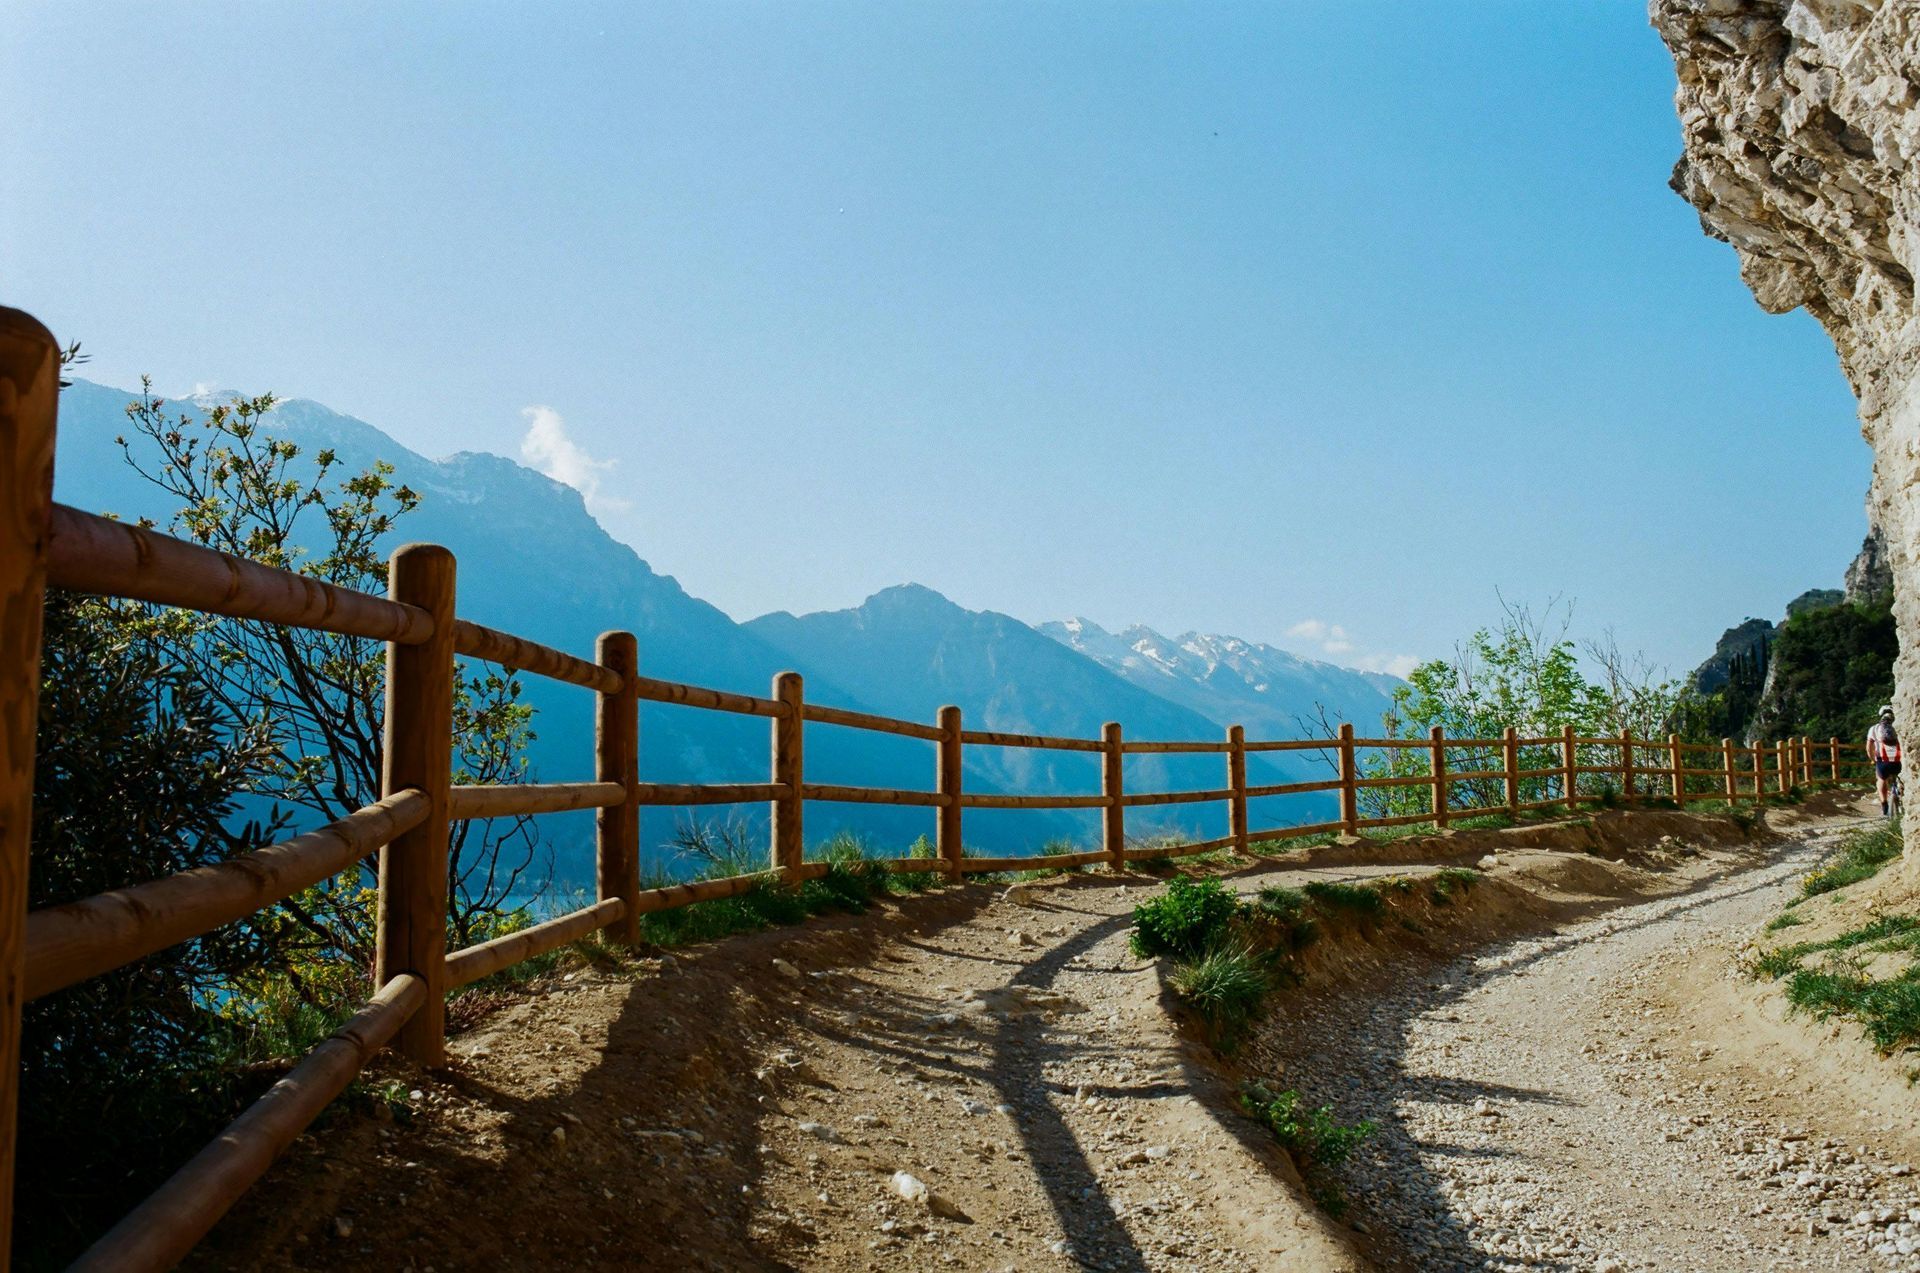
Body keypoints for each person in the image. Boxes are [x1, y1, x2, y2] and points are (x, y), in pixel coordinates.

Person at [1867, 705, 1902, 816]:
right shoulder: (1898, 727)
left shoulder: (1874, 729)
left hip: (1882, 760)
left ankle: (1884, 804)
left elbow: (1869, 747)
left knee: (1881, 779)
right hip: (1898, 760)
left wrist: (1873, 759)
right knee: (1901, 778)